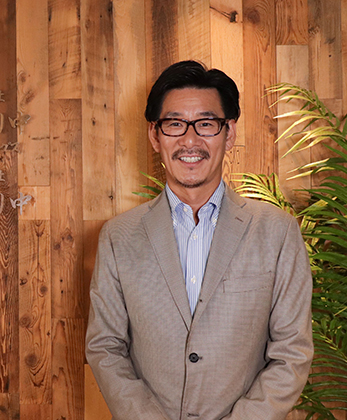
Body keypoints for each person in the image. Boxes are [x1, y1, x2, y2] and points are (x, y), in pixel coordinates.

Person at [85, 60, 313, 420]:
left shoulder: (277, 232)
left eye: (206, 124)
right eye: (175, 124)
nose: (189, 141)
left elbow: (292, 352)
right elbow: (105, 347)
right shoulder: (119, 236)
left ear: (229, 133)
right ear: (155, 135)